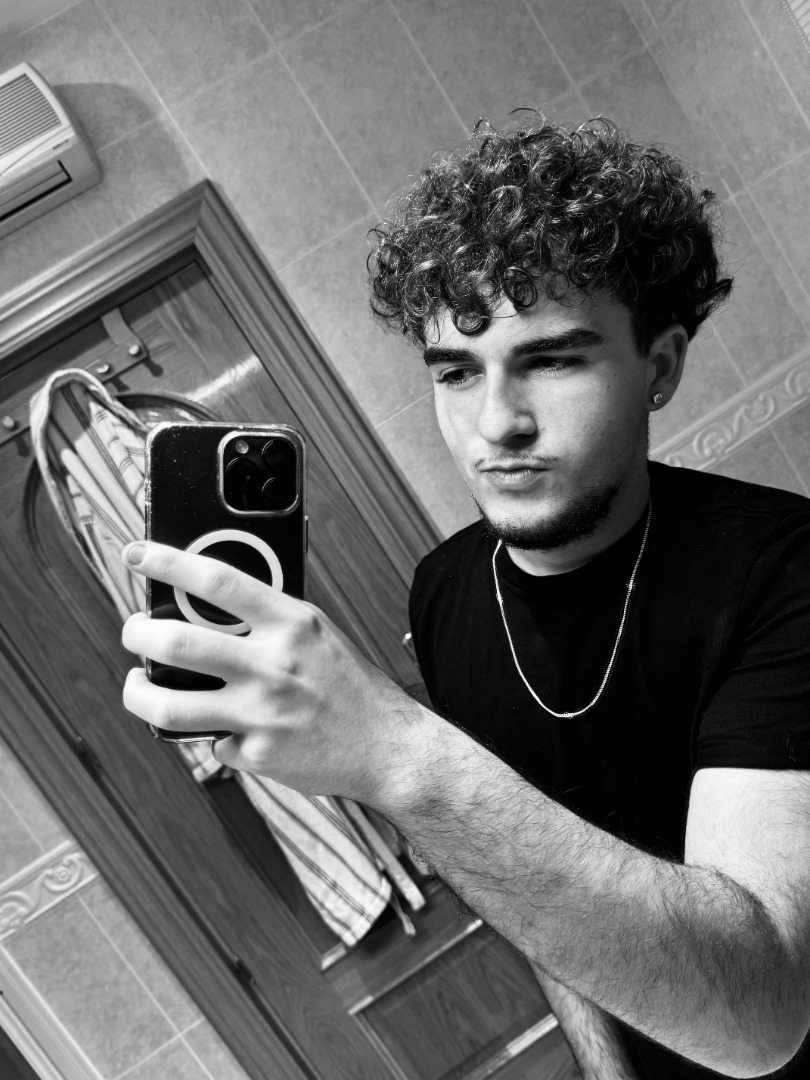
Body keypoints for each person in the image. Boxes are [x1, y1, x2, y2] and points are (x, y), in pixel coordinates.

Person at [120, 117, 810, 1079]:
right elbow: (533, 888)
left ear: (659, 367)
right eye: (455, 371)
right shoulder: (444, 590)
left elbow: (761, 1016)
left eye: (553, 360)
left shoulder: (784, 571)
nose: (497, 423)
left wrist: (397, 753)